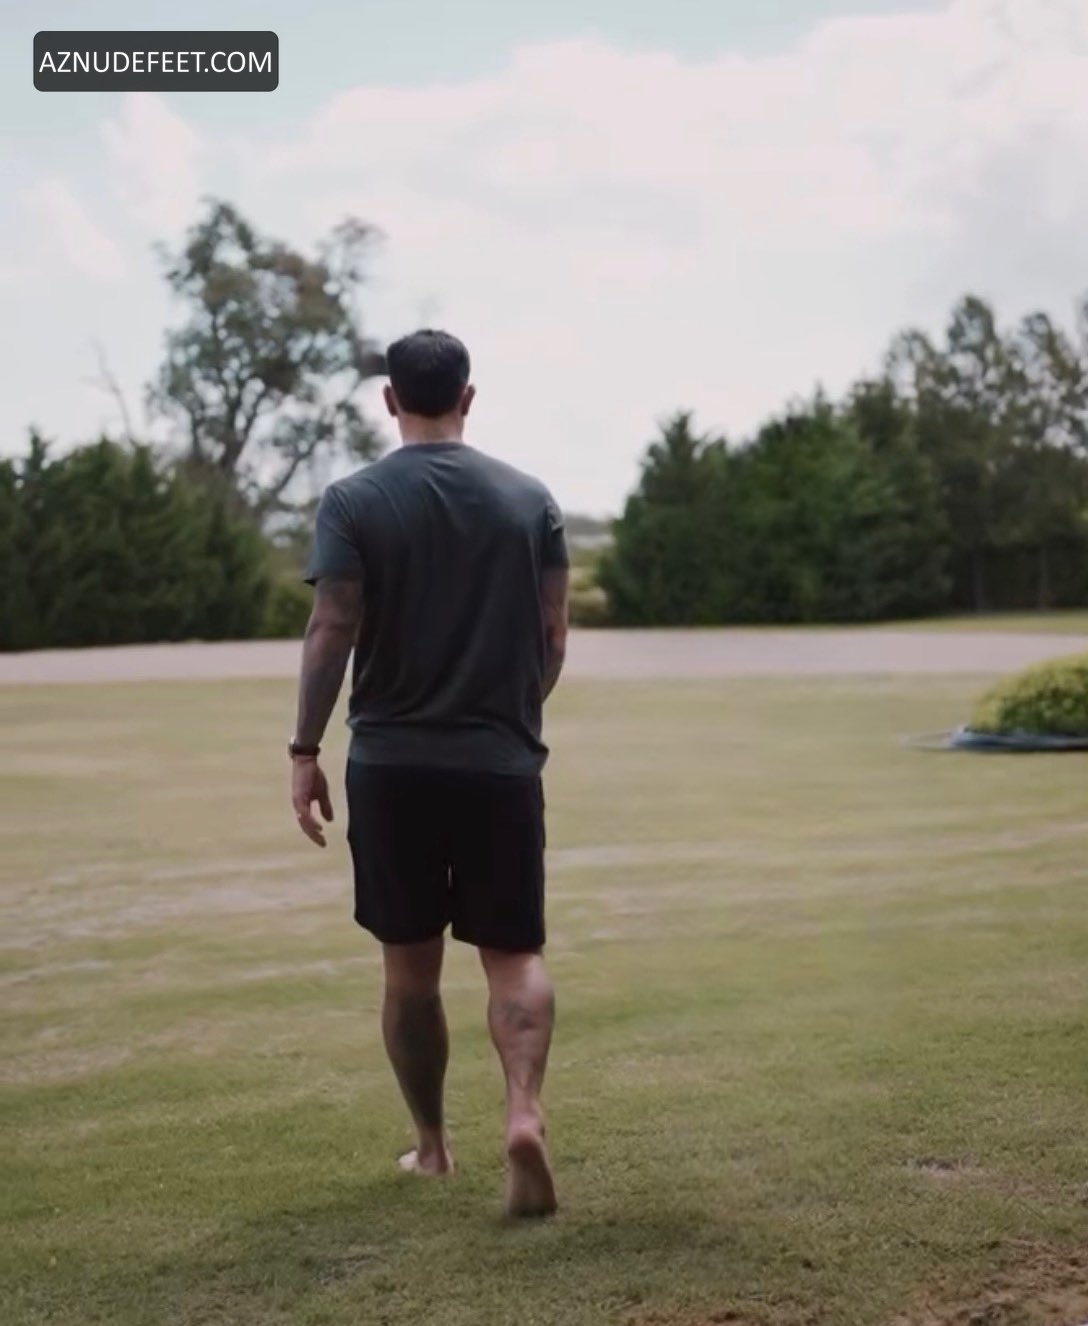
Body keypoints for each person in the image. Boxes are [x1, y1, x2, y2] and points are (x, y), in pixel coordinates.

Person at [288, 329, 569, 1218]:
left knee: (410, 973)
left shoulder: (352, 501)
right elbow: (553, 634)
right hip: (499, 763)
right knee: (513, 957)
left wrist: (304, 749)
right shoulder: (530, 500)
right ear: (468, 397)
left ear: (389, 399)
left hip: (392, 766)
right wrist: (512, 712)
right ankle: (522, 1114)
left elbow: (333, 627)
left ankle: (436, 1148)